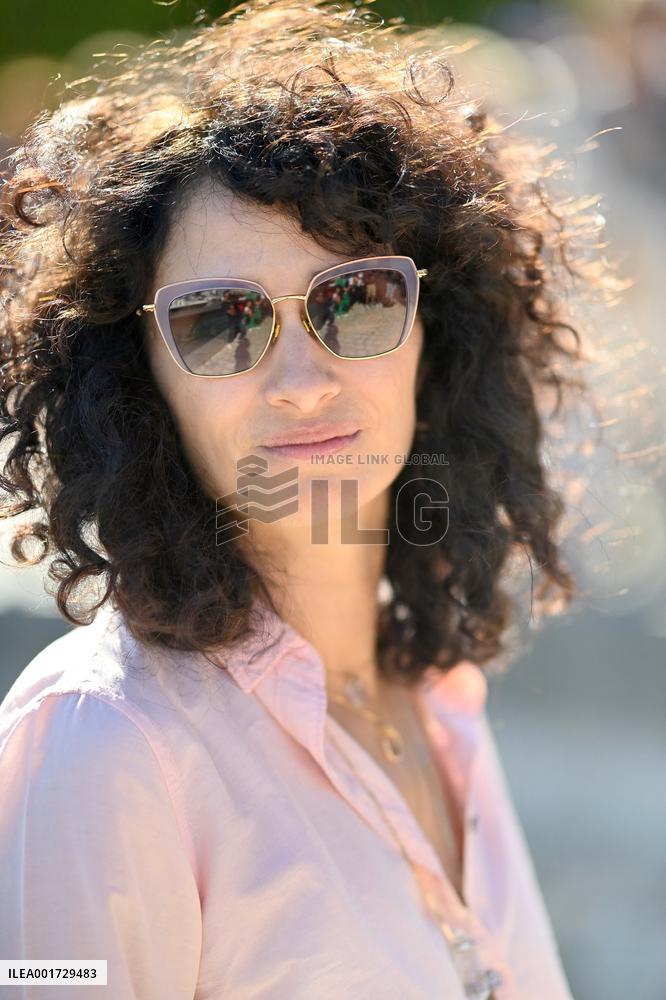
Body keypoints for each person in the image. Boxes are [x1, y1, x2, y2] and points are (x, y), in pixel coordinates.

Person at [0, 0, 624, 997]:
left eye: (357, 298)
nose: (301, 378)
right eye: (221, 321)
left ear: (437, 336)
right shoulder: (101, 740)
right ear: (136, 379)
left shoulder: (437, 700)